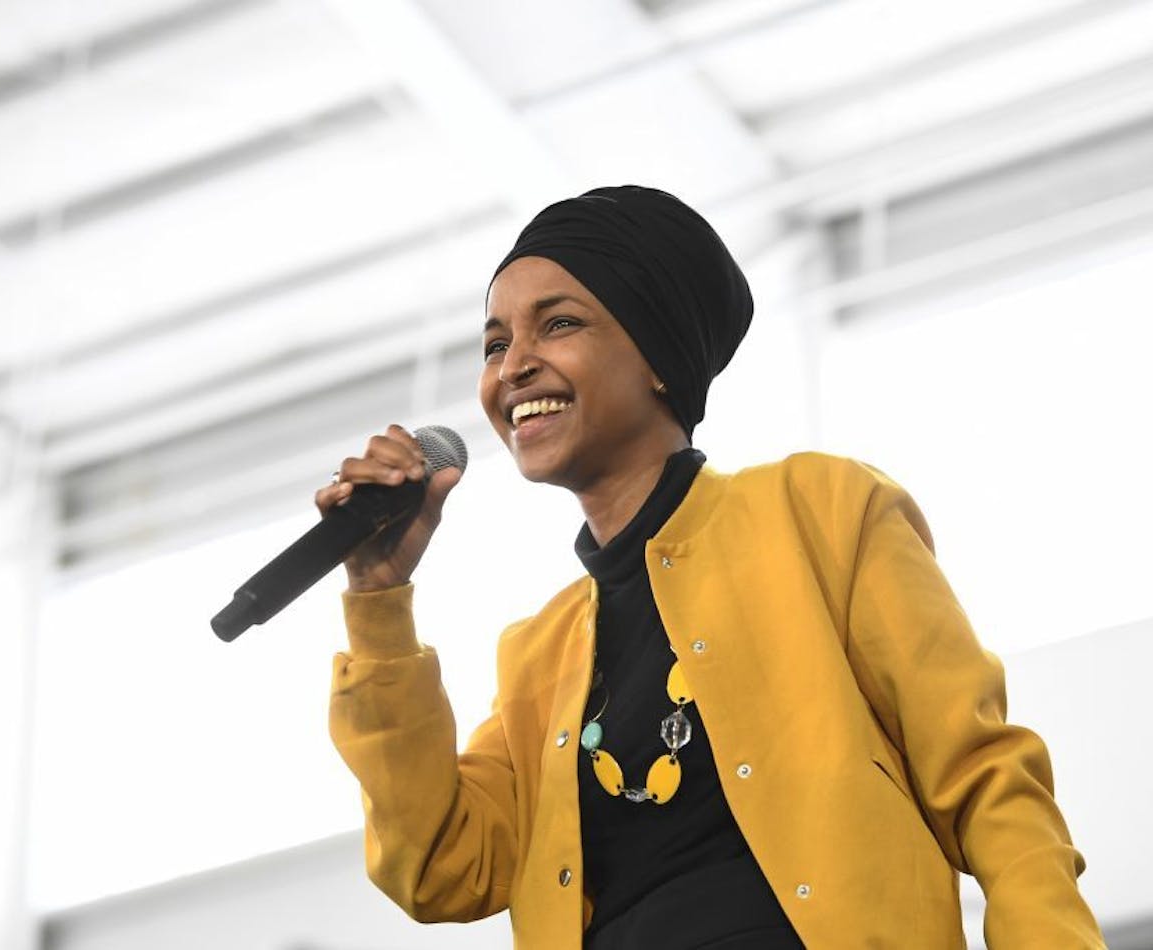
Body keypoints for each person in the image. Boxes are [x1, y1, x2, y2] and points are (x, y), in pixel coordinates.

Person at [319, 185, 1103, 949]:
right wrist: (378, 599)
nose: (513, 366)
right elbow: (439, 869)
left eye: (557, 324)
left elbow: (987, 780)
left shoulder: (821, 510)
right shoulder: (539, 656)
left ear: (657, 356)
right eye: (495, 345)